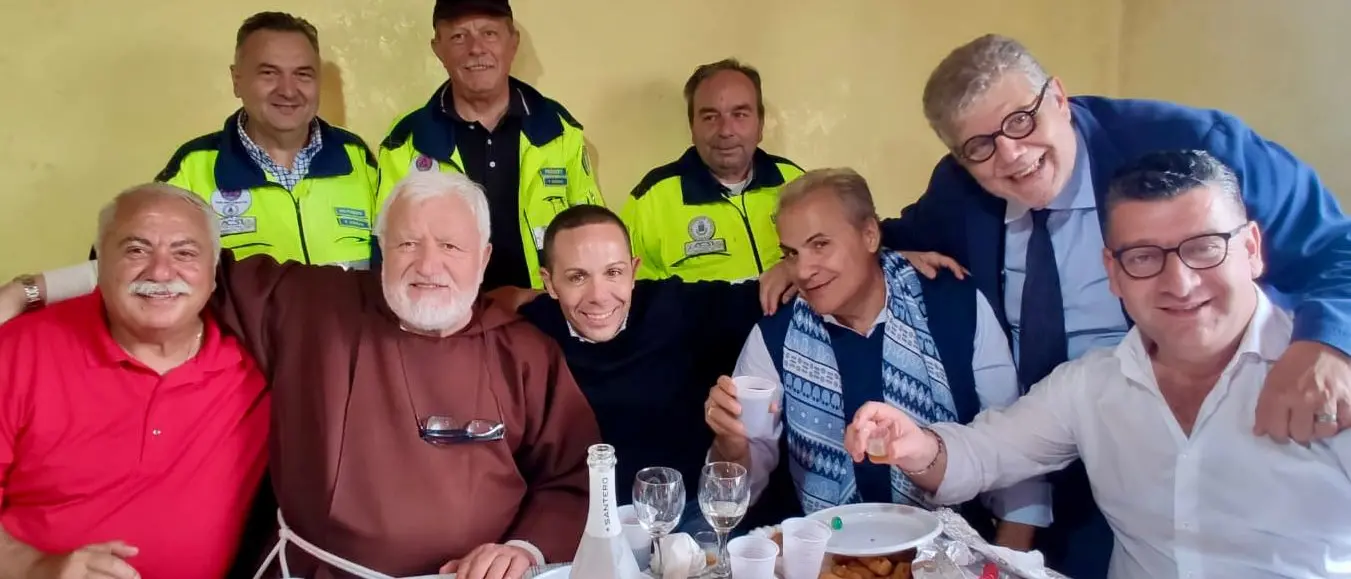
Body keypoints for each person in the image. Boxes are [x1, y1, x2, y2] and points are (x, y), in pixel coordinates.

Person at [760, 34, 1351, 577]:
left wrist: (1329, 342)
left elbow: (1335, 243)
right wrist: (804, 260)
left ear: (1059, 97)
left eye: (1022, 119)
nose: (1012, 154)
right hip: (1063, 436)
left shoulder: (1192, 147)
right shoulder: (963, 192)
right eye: (981, 147)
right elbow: (876, 235)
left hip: (1215, 425)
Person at [0, 172, 600, 579]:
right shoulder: (309, 304)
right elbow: (177, 262)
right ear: (380, 247)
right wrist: (33, 288)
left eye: (451, 246)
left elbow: (574, 472)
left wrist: (523, 549)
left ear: (485, 258)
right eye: (407, 243)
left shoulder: (523, 350)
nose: (428, 265)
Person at [845, 149, 1351, 579]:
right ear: (1113, 272)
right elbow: (984, 453)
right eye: (1144, 257)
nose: (1179, 282)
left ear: (1252, 249)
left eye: (1204, 248)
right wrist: (913, 443)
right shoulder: (1094, 386)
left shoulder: (1331, 373)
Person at [707, 168, 1051, 550]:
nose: (803, 271)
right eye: (790, 254)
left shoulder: (956, 305)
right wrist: (730, 447)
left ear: (870, 234)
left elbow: (1016, 452)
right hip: (830, 560)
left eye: (820, 245)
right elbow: (738, 491)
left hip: (957, 557)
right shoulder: (772, 336)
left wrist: (1004, 563)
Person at [0, 184, 269, 579]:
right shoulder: (19, 350)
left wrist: (30, 287)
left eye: (185, 253)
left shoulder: (257, 363)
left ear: (214, 275)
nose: (160, 272)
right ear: (99, 267)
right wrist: (39, 568)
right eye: (136, 250)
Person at [372, 0, 603, 291]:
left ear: (513, 42)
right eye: (458, 36)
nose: (476, 48)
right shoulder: (406, 142)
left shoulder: (558, 130)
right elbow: (387, 247)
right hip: (446, 322)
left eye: (489, 33)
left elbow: (591, 237)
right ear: (437, 48)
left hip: (545, 313)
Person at [151, 12, 378, 269]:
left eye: (303, 74)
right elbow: (134, 263)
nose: (289, 90)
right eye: (269, 73)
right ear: (237, 81)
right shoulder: (192, 169)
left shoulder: (357, 158)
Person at [622, 58, 803, 283]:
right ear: (692, 127)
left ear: (760, 124)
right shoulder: (650, 201)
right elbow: (633, 295)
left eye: (739, 115)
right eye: (710, 117)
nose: (726, 130)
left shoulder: (797, 184)